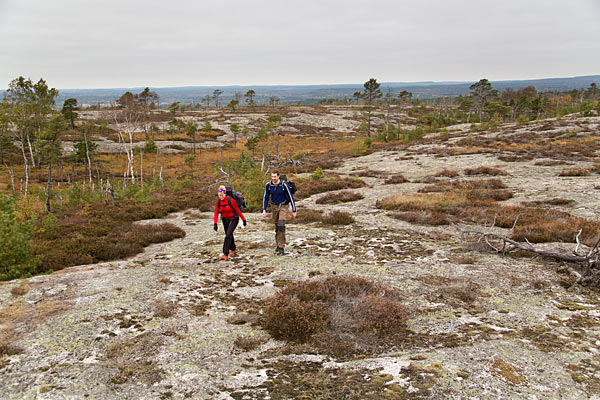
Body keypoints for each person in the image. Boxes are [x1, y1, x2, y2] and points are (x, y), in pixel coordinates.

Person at [262, 171, 296, 255]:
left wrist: (294, 210)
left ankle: (281, 246)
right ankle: (278, 244)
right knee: (277, 226)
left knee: (281, 224)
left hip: (283, 206)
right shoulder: (268, 185)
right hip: (274, 206)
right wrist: (264, 209)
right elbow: (266, 197)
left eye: (275, 177)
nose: (273, 178)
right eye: (272, 177)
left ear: (278, 176)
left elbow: (291, 197)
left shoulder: (284, 185)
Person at [214, 185, 247, 260]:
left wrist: (243, 220)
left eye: (222, 196)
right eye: (219, 196)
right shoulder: (218, 201)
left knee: (228, 235)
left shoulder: (231, 200)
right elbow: (216, 212)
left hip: (234, 219)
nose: (221, 197)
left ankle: (225, 253)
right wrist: (215, 223)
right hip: (224, 219)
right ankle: (233, 249)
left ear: (225, 194)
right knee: (229, 234)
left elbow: (238, 210)